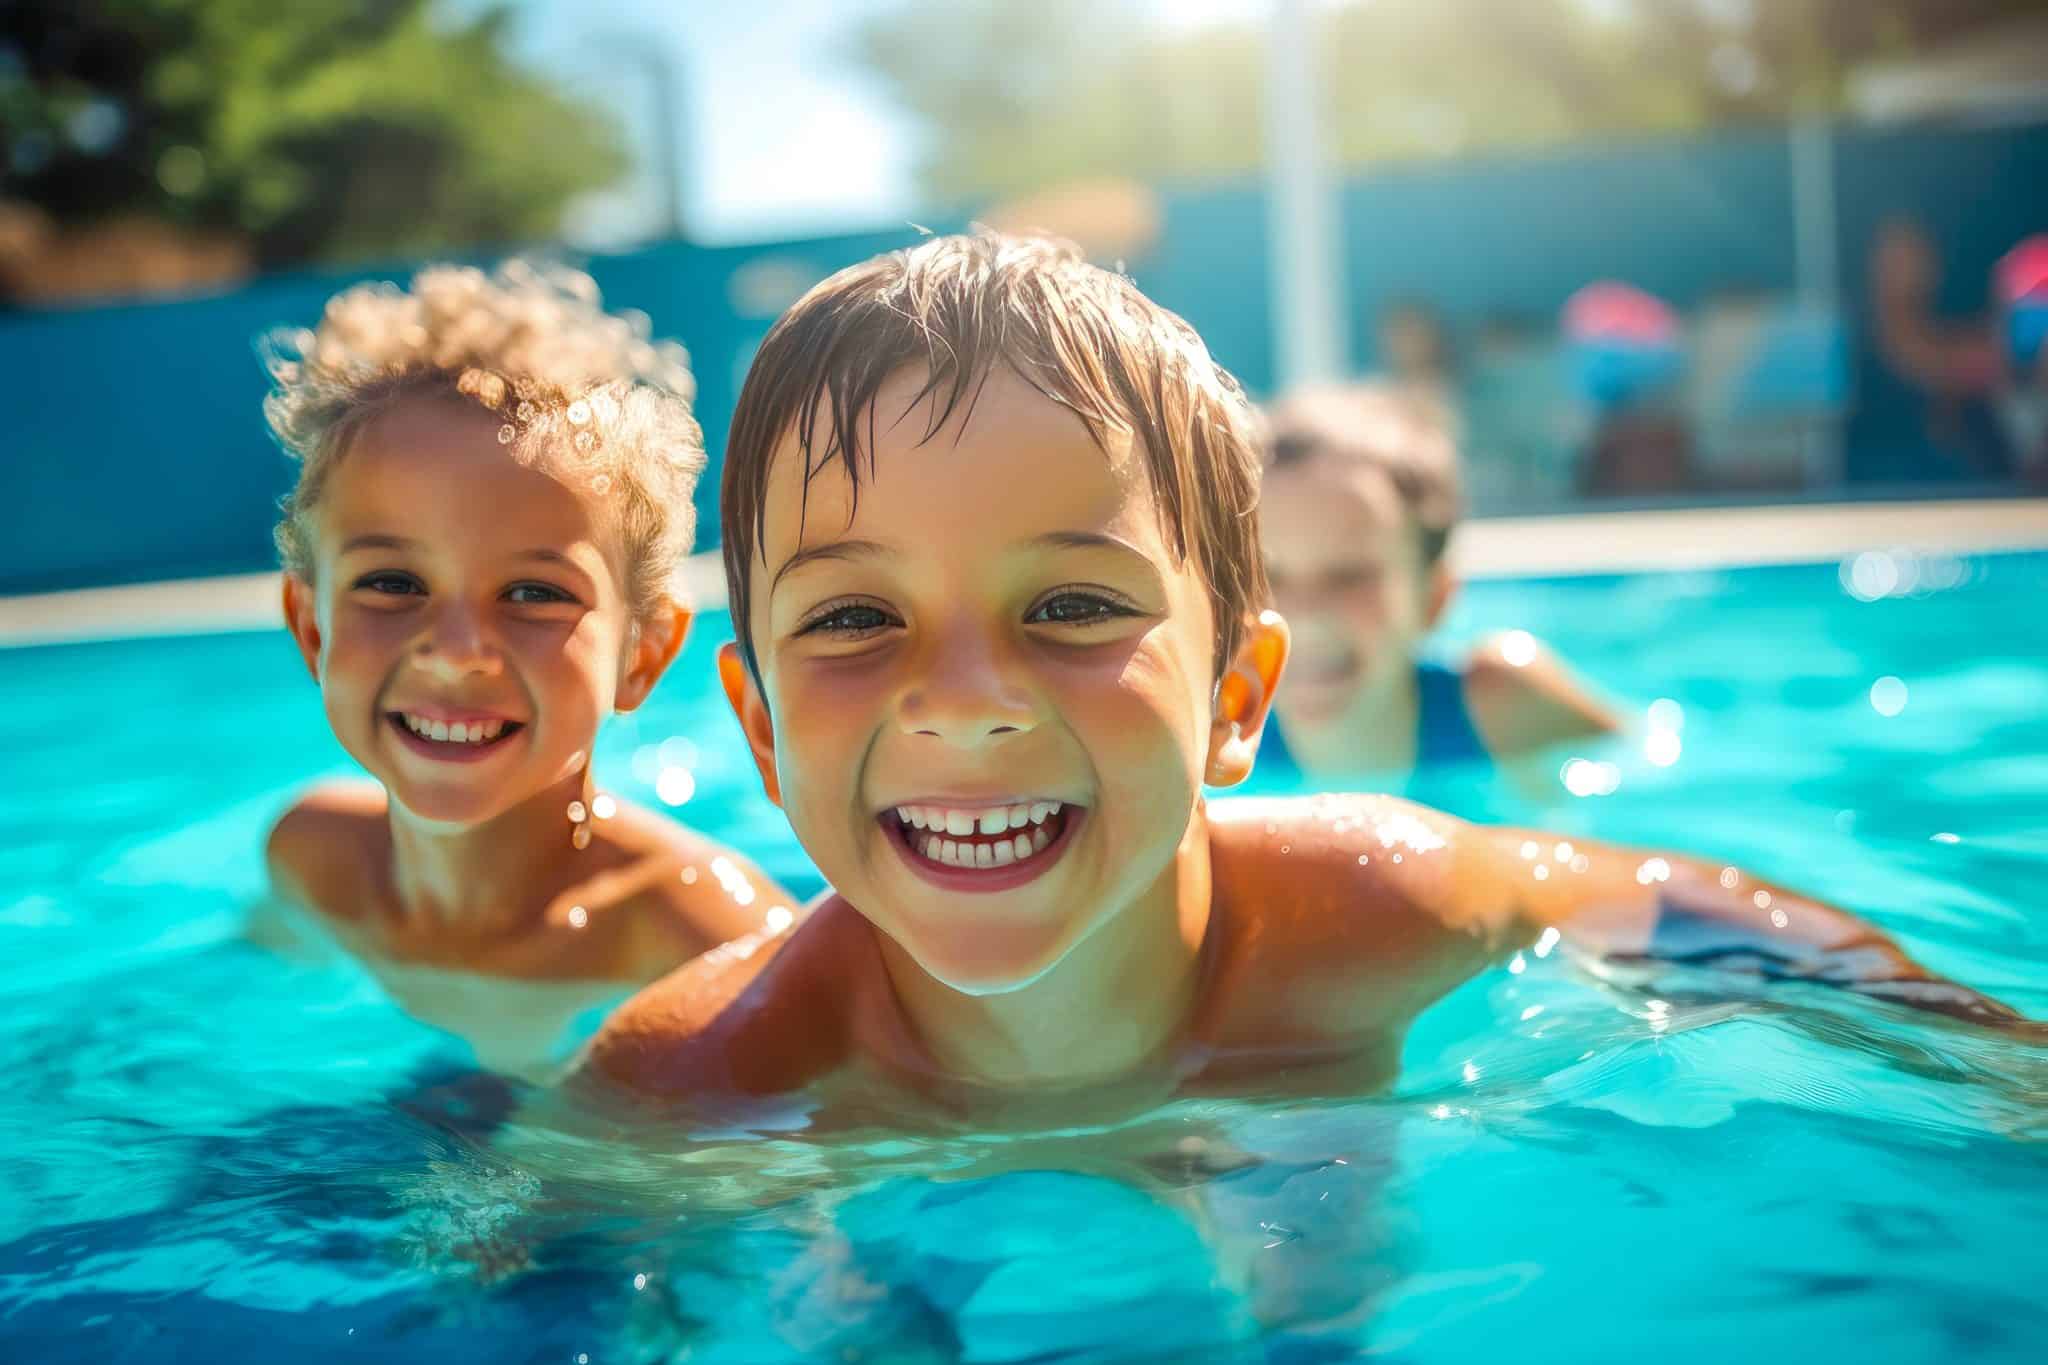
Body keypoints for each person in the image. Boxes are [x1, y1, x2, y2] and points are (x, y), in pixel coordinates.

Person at [581, 233, 2033, 1117]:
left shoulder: (1378, 907)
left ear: (1236, 699)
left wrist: (1993, 1060)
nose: (966, 696)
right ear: (758, 729)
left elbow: (1683, 901)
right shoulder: (699, 1078)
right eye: (852, 619)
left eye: (1075, 602)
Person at [254, 260, 789, 1076]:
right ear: (311, 627)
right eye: (392, 583)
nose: (457, 647)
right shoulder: (311, 862)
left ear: (641, 653)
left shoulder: (710, 940)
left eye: (534, 593)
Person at [1256, 383, 1617, 784]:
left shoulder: (1502, 704)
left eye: (1349, 577)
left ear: (1435, 597)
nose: (1305, 615)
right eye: (1267, 575)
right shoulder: (1209, 742)